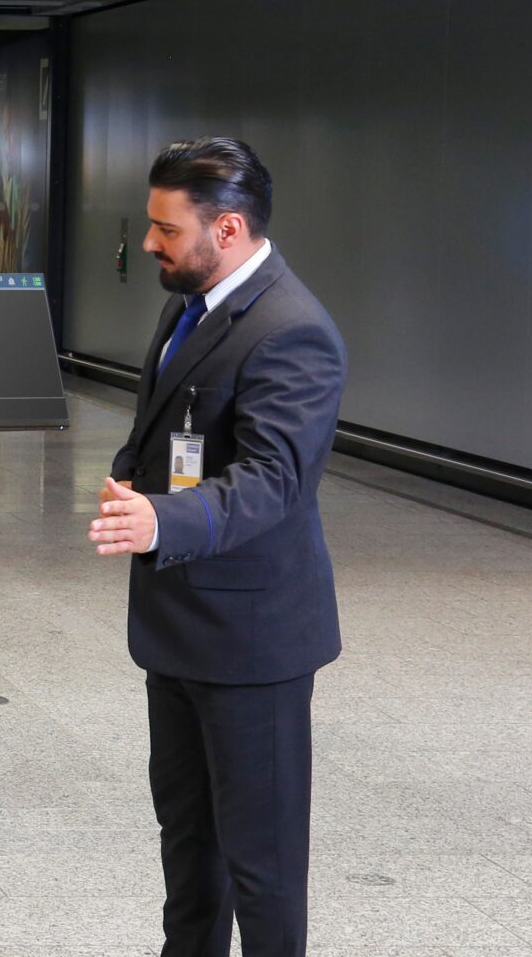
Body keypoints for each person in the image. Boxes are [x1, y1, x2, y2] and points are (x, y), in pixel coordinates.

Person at [84, 137, 346, 957]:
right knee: (189, 850)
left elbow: (274, 481)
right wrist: (133, 480)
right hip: (179, 624)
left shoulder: (292, 330)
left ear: (227, 229)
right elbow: (168, 425)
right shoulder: (190, 302)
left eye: (166, 229)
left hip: (253, 643)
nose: (151, 243)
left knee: (260, 867)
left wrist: (165, 522)